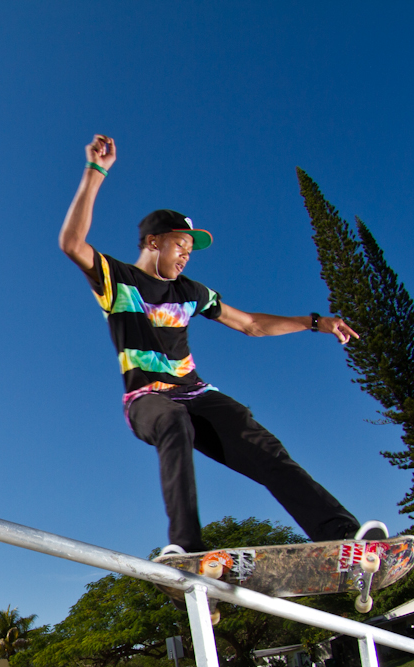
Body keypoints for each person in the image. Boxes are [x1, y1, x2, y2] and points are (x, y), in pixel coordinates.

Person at [58, 134, 381, 554]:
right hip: (147, 400)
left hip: (197, 393)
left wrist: (314, 322)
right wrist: (95, 172)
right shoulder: (116, 279)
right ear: (154, 242)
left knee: (264, 448)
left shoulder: (191, 291)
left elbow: (250, 324)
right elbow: (72, 244)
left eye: (191, 249)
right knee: (173, 421)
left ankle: (339, 535)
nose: (187, 255)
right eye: (181, 245)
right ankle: (186, 551)